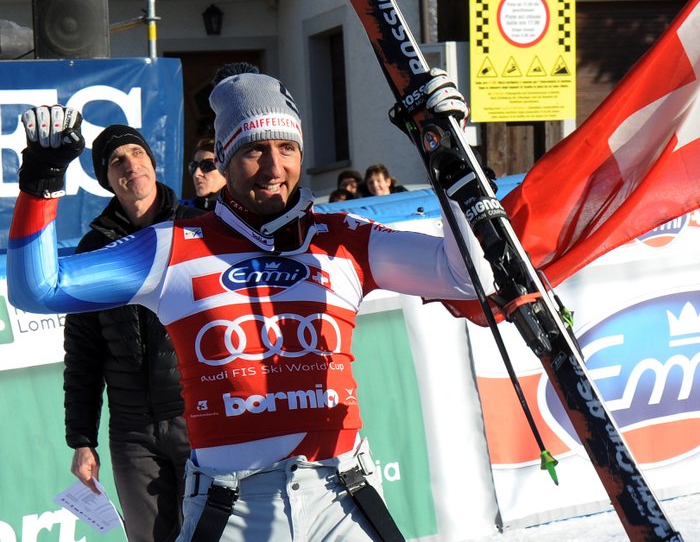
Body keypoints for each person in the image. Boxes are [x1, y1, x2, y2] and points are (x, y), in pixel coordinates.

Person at [7, 66, 491, 541]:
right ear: (223, 159)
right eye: (254, 150)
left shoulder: (340, 238)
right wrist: (41, 181)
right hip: (232, 507)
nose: (274, 168)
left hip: (342, 495)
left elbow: (469, 277)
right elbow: (39, 289)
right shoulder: (173, 246)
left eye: (287, 148)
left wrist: (452, 160)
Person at [64, 124, 202, 542]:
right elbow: (83, 354)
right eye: (116, 161)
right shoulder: (93, 249)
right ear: (106, 178)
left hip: (200, 416)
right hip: (132, 433)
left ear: (153, 162)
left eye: (136, 153)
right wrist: (82, 440)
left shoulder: (198, 229)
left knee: (216, 534)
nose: (130, 165)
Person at [185, 136, 226, 212]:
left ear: (227, 171)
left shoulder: (242, 213)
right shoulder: (179, 211)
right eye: (193, 166)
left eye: (207, 165)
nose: (196, 174)